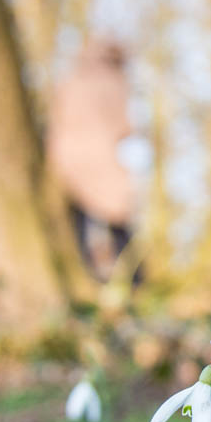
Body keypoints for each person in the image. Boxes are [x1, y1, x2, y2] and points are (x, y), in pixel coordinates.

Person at [45, 39, 137, 279]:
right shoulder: (114, 82)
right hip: (101, 155)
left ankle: (87, 274)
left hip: (65, 157)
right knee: (119, 218)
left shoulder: (68, 81)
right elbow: (123, 126)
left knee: (80, 222)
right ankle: (134, 277)